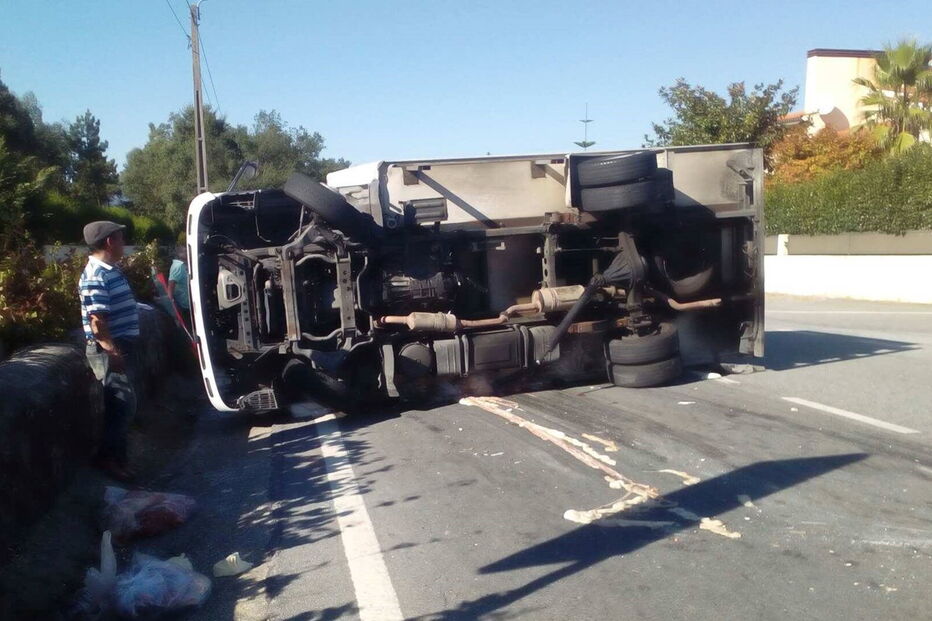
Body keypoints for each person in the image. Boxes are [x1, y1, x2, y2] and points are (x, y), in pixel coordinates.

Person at [79, 221, 139, 481]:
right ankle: (108, 459)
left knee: (123, 405)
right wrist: (112, 352)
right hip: (109, 348)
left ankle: (119, 459)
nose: (124, 242)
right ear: (109, 242)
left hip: (119, 345)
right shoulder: (96, 274)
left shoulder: (109, 269)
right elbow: (97, 321)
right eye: (120, 238)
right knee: (121, 405)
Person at [167, 246, 191, 331]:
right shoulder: (179, 266)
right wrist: (171, 303)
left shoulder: (183, 264)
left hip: (187, 302)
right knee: (189, 327)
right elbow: (171, 284)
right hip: (185, 303)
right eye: (185, 251)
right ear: (179, 254)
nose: (188, 252)